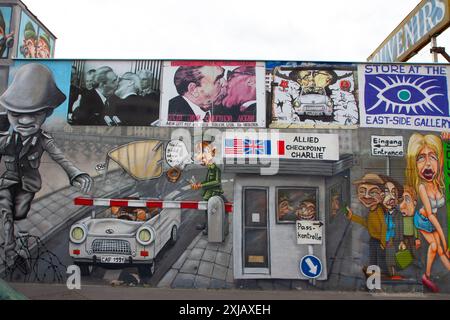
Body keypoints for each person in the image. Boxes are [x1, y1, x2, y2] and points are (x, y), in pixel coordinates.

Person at [0, 63, 93, 259]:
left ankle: (20, 239)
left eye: (34, 114)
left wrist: (76, 174)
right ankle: (9, 251)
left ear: (47, 113)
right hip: (6, 182)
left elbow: (59, 156)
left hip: (28, 186)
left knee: (19, 215)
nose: (25, 121)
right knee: (4, 213)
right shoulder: (5, 137)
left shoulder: (43, 139)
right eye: (16, 114)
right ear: (8, 113)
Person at [405, 133, 450, 292]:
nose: (428, 164)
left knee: (441, 249)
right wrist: (444, 238)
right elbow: (430, 214)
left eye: (433, 156)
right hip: (424, 220)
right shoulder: (422, 187)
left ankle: (428, 276)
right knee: (436, 245)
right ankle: (427, 275)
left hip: (434, 219)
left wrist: (446, 142)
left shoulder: (440, 184)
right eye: (421, 158)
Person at [346, 173, 387, 277]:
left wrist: (383, 242)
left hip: (379, 240)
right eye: (362, 191)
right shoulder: (371, 211)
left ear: (382, 196)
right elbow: (366, 223)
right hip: (373, 238)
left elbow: (384, 226)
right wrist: (352, 217)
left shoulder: (379, 211)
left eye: (373, 192)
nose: (367, 196)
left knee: (380, 257)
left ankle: (383, 273)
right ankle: (373, 271)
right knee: (373, 256)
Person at [191, 137, 224, 235]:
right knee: (207, 210)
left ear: (212, 153)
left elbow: (217, 182)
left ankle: (210, 228)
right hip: (209, 193)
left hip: (214, 193)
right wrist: (198, 185)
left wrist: (201, 184)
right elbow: (208, 181)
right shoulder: (210, 168)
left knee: (211, 212)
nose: (201, 158)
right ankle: (206, 224)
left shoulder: (215, 168)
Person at [379, 175, 405, 279]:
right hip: (384, 241)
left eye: (394, 192)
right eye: (387, 192)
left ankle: (393, 274)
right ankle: (391, 274)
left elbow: (400, 228)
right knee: (387, 258)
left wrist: (402, 241)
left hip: (394, 241)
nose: (391, 197)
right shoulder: (381, 214)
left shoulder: (398, 214)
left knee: (393, 258)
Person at [399, 185, 421, 262]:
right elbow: (400, 229)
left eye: (407, 200)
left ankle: (416, 262)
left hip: (412, 237)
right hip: (404, 238)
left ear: (414, 203)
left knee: (414, 251)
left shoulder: (414, 218)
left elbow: (416, 227)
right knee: (405, 252)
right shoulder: (400, 219)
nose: (402, 205)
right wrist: (401, 240)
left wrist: (417, 238)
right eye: (401, 200)